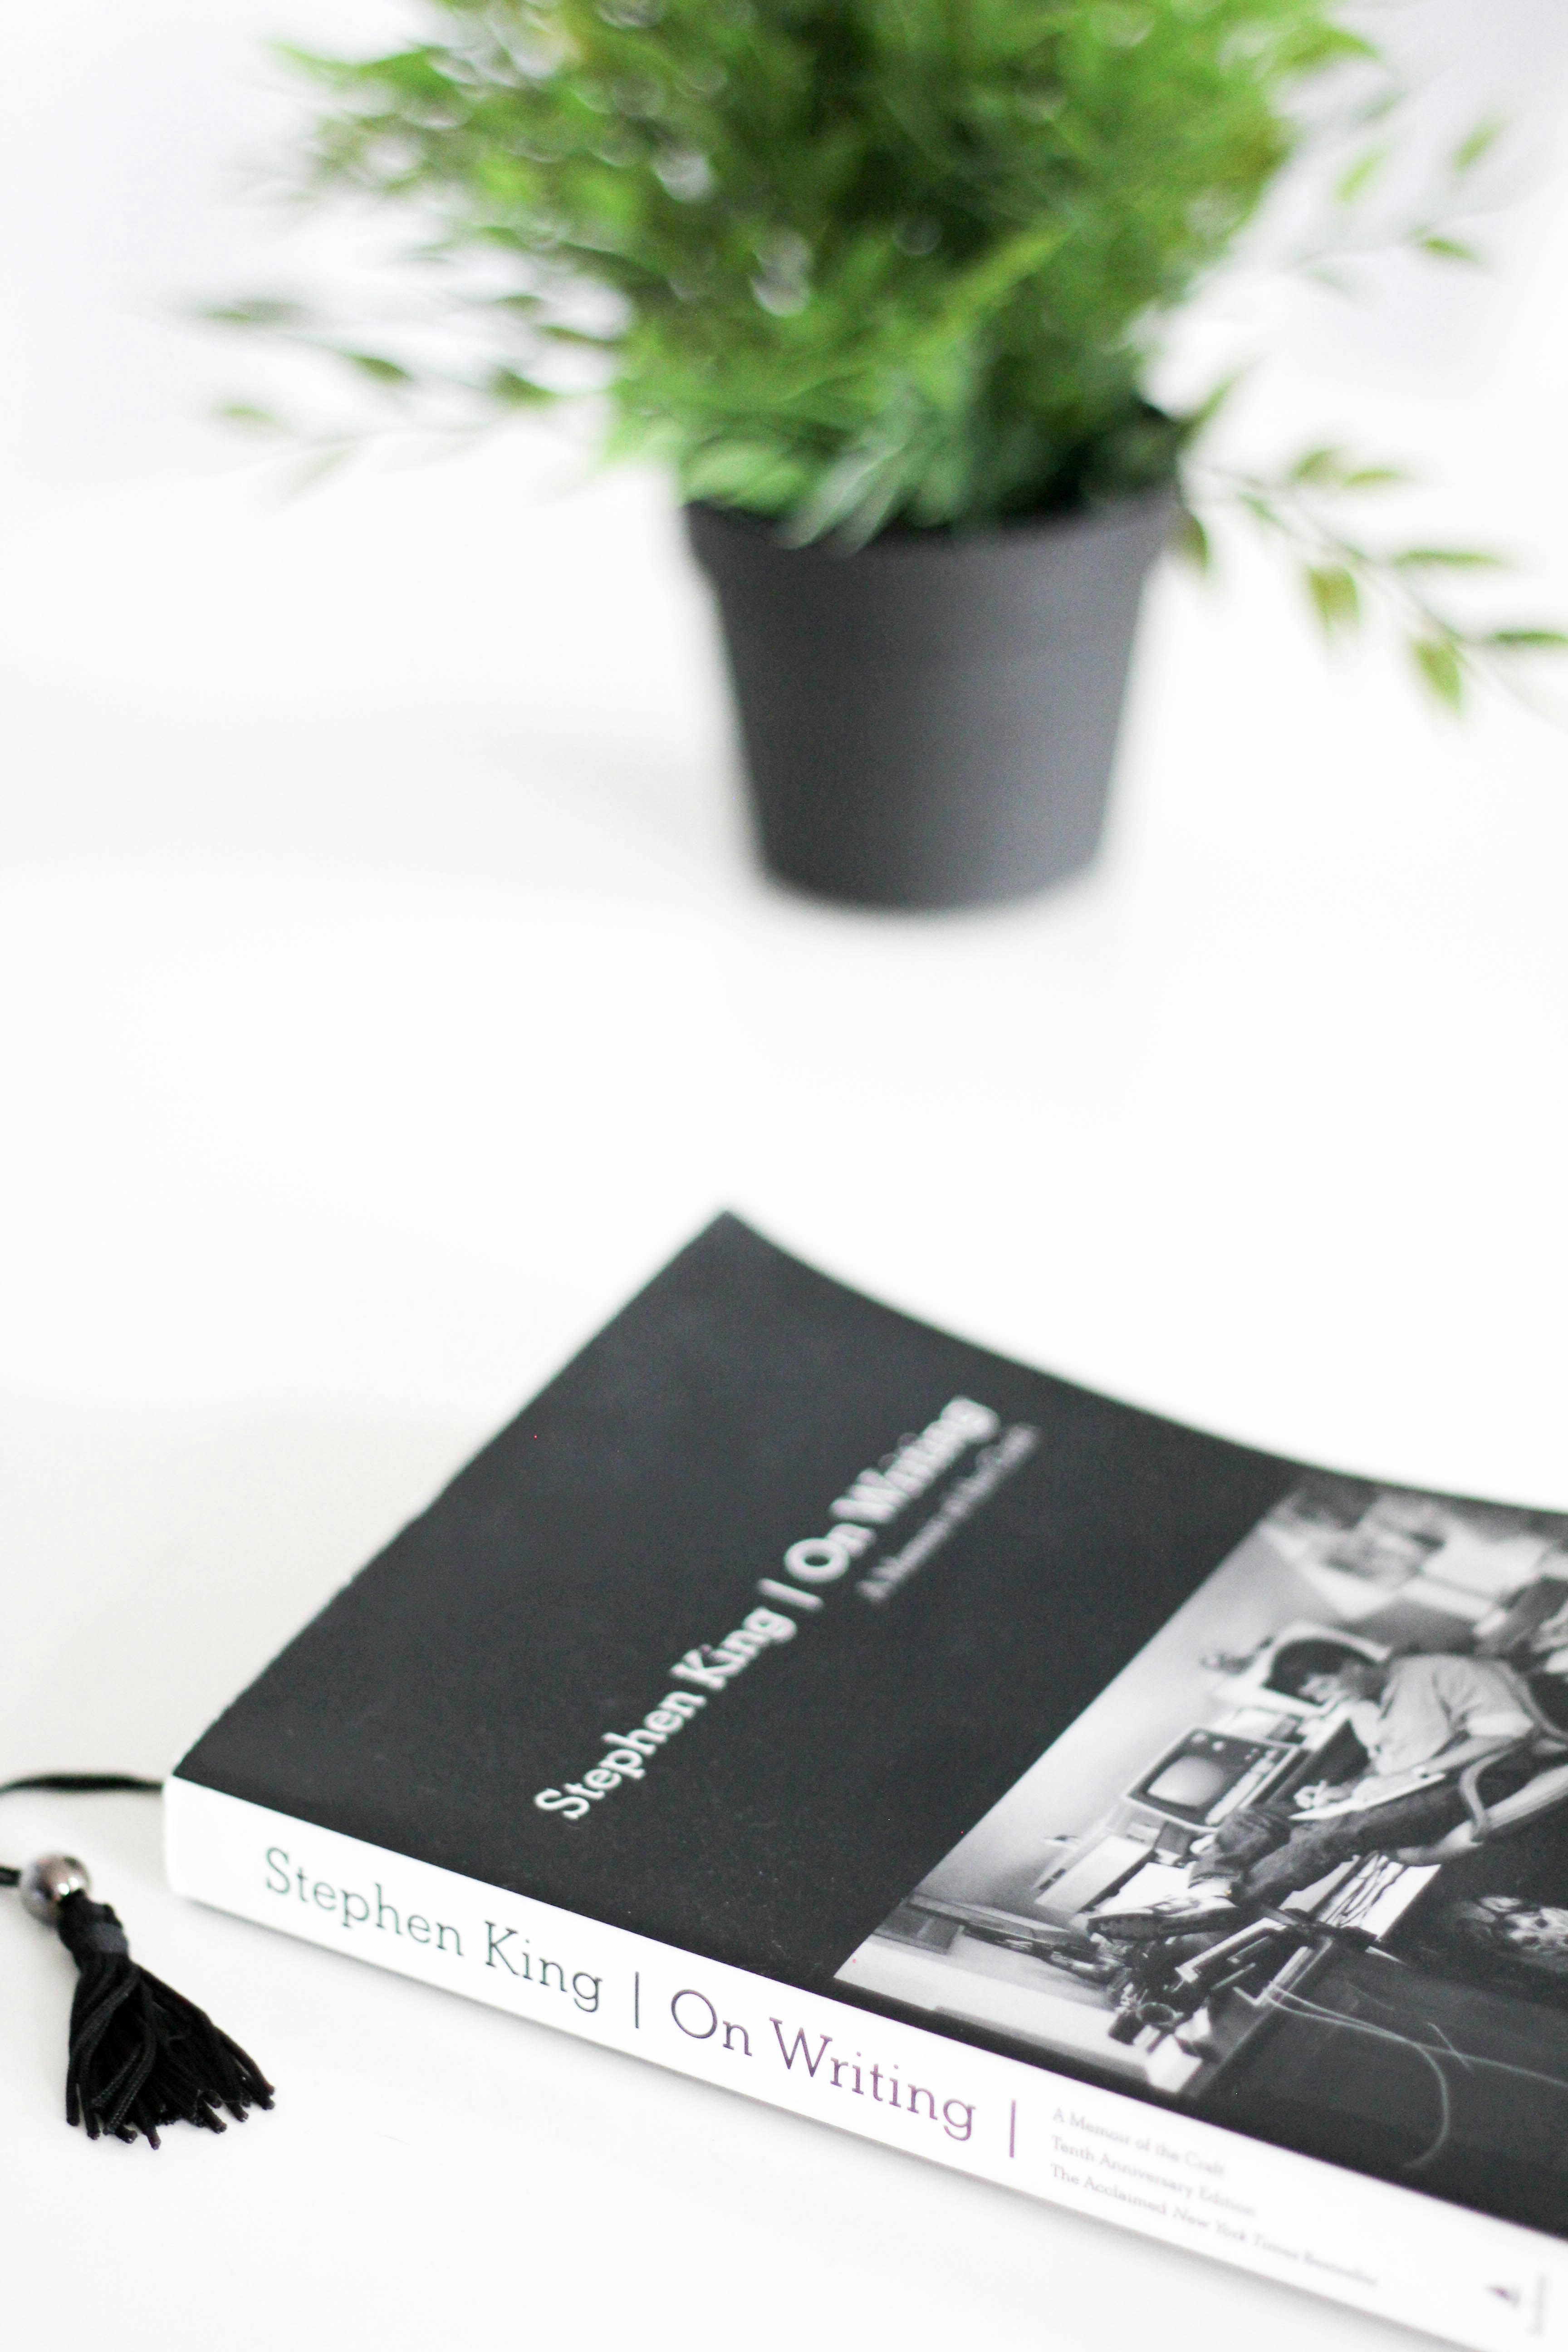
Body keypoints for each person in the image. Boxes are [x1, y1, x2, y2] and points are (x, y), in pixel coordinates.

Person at [1200, 1648, 1538, 1903]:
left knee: (1327, 1835)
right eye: (1316, 1697)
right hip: (1404, 1791)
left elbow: (1509, 1732)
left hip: (1473, 1780)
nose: (1327, 1699)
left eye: (1324, 1686)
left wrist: (1417, 1773)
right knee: (1251, 1818)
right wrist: (1346, 1790)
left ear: (1351, 1664)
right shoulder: (1360, 1706)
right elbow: (1385, 1763)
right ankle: (1208, 1889)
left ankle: (1229, 1906)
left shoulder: (1443, 1670)